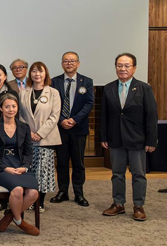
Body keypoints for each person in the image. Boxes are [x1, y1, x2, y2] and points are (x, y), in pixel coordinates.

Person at [101, 53, 158, 221]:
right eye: (119, 65)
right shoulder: (108, 88)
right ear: (115, 67)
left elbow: (151, 116)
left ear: (134, 68)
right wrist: (104, 136)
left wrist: (151, 140)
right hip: (116, 139)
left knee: (138, 174)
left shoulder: (144, 88)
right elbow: (104, 116)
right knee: (117, 173)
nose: (123, 69)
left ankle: (138, 205)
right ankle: (118, 204)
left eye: (127, 65)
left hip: (137, 140)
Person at [0, 94, 40, 236]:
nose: (11, 109)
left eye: (13, 106)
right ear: (1, 108)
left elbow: (28, 152)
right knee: (18, 190)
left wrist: (25, 167)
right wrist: (5, 168)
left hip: (20, 166)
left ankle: (10, 214)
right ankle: (19, 222)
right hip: (1, 168)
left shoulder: (24, 127)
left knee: (33, 193)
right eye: (7, 106)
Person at [50, 51, 94, 207]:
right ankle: (62, 191)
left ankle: (79, 193)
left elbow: (89, 104)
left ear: (78, 63)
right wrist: (61, 120)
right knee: (61, 162)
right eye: (66, 61)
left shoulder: (86, 82)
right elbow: (52, 104)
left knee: (78, 163)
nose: (69, 63)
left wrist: (74, 120)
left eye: (72, 61)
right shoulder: (54, 82)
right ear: (62, 64)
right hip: (60, 129)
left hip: (78, 129)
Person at [18, 61, 61, 213]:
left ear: (45, 74)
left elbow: (54, 116)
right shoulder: (24, 92)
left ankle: (40, 202)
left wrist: (40, 133)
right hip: (27, 138)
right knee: (29, 170)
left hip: (46, 138)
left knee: (42, 171)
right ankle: (28, 199)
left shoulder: (53, 93)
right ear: (30, 74)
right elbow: (20, 115)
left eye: (40, 71)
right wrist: (28, 133)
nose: (37, 74)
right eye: (34, 71)